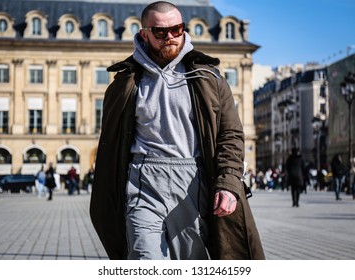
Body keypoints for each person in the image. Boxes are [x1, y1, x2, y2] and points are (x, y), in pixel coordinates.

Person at [90, 1, 264, 260]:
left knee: (192, 260)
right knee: (143, 258)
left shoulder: (208, 78)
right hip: (143, 180)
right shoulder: (124, 83)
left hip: (193, 180)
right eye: (160, 32)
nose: (170, 37)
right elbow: (111, 144)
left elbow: (231, 135)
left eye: (177, 29)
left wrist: (228, 183)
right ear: (143, 34)